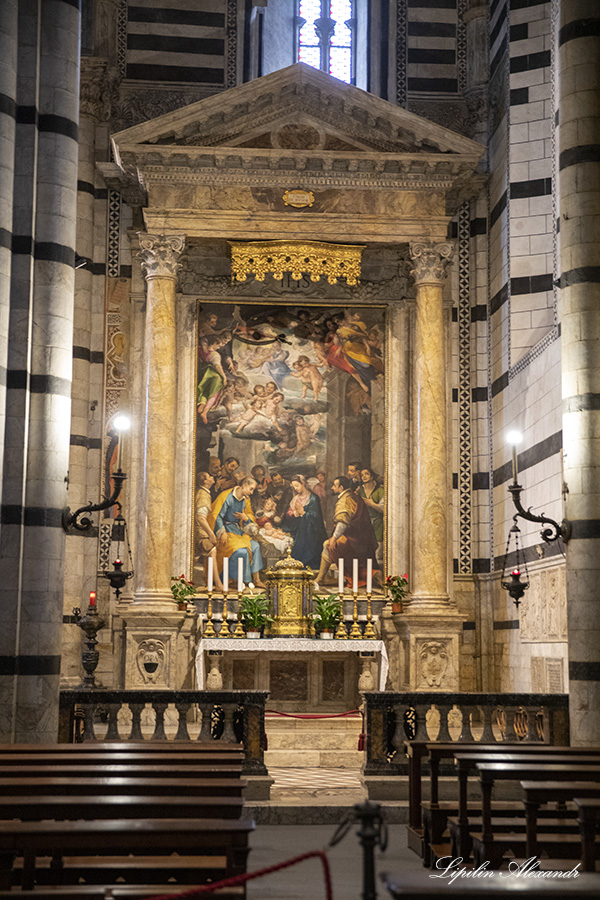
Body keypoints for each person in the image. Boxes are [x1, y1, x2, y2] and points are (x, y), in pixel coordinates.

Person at [315, 475, 378, 588]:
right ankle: (323, 578)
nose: (333, 488)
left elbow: (342, 523)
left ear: (341, 487)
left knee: (328, 545)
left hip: (355, 541)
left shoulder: (344, 500)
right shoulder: (353, 496)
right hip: (362, 539)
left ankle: (320, 579)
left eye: (335, 485)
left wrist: (334, 538)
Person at [208, 476, 265, 586]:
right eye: (251, 489)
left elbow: (250, 517)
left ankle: (256, 579)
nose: (252, 493)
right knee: (241, 551)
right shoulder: (226, 496)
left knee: (255, 546)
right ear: (244, 485)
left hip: (238, 531)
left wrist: (246, 518)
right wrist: (222, 532)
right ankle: (239, 580)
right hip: (225, 531)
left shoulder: (245, 500)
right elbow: (216, 515)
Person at [280, 474, 328, 570]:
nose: (296, 488)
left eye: (297, 485)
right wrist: (294, 513)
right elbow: (288, 514)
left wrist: (303, 513)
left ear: (303, 484)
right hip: (296, 527)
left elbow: (316, 517)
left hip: (312, 530)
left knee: (306, 528)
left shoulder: (313, 498)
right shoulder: (295, 498)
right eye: (294, 487)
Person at [194, 471, 224, 591]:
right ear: (205, 481)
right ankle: (218, 584)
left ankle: (210, 582)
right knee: (212, 550)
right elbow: (200, 517)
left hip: (202, 531)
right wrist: (211, 534)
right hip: (201, 532)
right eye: (210, 476)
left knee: (206, 553)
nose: (213, 477)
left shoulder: (204, 492)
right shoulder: (203, 494)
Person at [357, 467, 384, 562]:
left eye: (366, 474)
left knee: (378, 552)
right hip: (364, 523)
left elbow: (383, 509)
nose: (364, 476)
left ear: (372, 476)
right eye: (362, 475)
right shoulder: (360, 491)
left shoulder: (380, 491)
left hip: (378, 523)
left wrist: (371, 504)